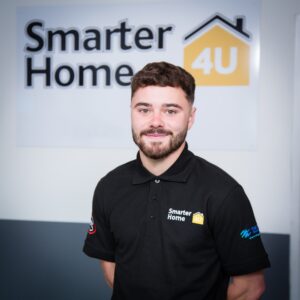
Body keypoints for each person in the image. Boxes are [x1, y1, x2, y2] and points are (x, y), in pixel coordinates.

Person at [83, 61, 270, 300]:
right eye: (144, 109)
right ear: (131, 111)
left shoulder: (223, 193)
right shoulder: (109, 186)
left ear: (190, 118)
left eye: (170, 111)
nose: (156, 122)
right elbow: (112, 271)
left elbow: (250, 288)